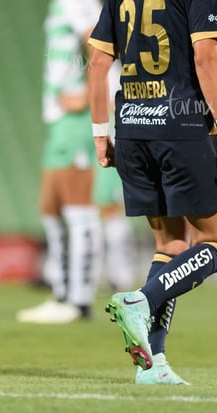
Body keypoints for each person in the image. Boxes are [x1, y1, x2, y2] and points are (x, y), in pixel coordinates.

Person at [87, 0, 217, 384]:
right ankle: (141, 299)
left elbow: (99, 58)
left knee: (170, 245)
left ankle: (154, 365)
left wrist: (100, 132)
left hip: (132, 126)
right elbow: (206, 55)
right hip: (181, 124)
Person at [16, 0, 103, 324]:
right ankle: (61, 293)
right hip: (60, 120)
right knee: (50, 207)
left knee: (78, 208)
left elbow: (100, 43)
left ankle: (78, 300)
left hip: (77, 120)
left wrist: (88, 93)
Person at [94, 60, 137, 291]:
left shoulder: (112, 69)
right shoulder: (98, 66)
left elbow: (115, 104)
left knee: (109, 207)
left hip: (112, 139)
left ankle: (121, 275)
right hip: (97, 142)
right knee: (101, 207)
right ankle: (111, 273)